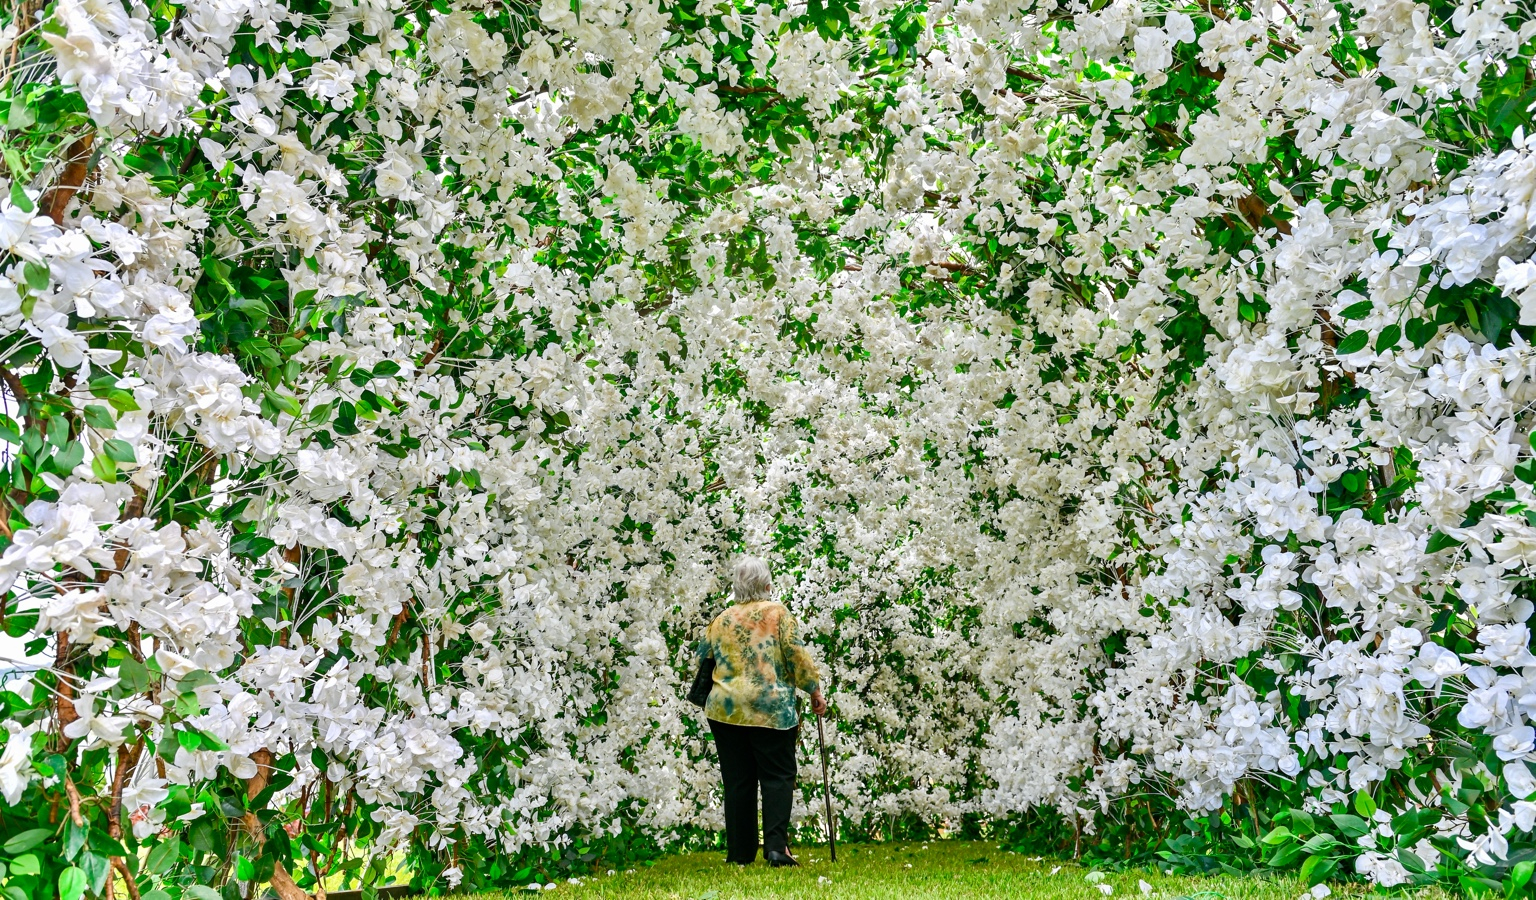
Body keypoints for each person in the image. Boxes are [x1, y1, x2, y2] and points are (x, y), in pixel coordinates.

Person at [700, 557, 827, 867]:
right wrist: (813, 690)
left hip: (726, 710)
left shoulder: (721, 619)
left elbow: (703, 658)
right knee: (777, 776)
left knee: (738, 781)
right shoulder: (777, 614)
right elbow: (796, 655)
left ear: (736, 586)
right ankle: (776, 848)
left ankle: (740, 854)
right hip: (771, 710)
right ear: (767, 585)